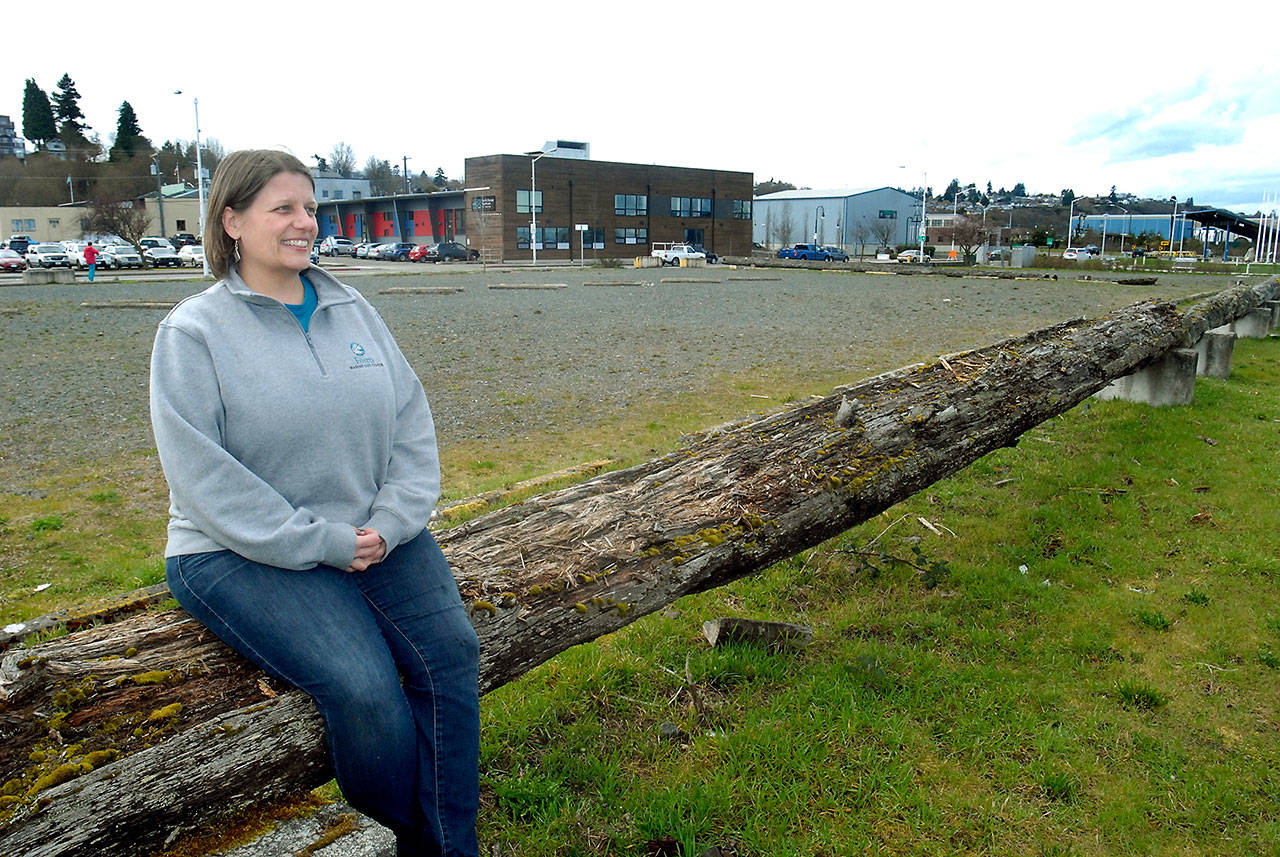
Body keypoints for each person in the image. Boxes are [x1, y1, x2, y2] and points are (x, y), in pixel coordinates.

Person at [148, 149, 480, 857]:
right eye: (284, 208)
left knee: (451, 654)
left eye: (312, 208)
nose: (306, 223)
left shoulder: (350, 307)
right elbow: (203, 478)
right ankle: (398, 839)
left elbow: (410, 424)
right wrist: (322, 542)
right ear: (232, 220)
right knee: (364, 690)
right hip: (235, 550)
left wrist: (390, 526)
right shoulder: (193, 333)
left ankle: (451, 848)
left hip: (373, 533)